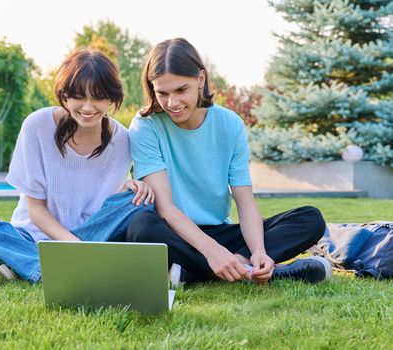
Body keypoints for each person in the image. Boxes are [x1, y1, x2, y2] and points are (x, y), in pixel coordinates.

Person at [126, 38, 331, 285]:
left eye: (181, 90)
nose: (172, 103)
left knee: (310, 218)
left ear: (200, 79)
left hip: (219, 233)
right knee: (141, 228)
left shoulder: (230, 124)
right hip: (173, 232)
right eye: (162, 93)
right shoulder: (145, 126)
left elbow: (245, 202)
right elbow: (165, 208)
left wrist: (257, 251)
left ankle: (205, 271)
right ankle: (249, 272)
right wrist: (212, 251)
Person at [0, 49, 154, 283]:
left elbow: (103, 206)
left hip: (89, 236)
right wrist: (77, 249)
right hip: (31, 236)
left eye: (97, 97)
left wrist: (129, 188)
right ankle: (46, 268)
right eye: (78, 97)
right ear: (64, 97)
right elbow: (36, 210)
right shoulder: (37, 125)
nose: (87, 107)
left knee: (141, 202)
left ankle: (24, 264)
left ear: (112, 99)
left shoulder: (121, 140)